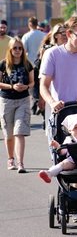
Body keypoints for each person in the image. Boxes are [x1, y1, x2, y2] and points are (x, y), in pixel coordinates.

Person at [0, 38, 34, 173]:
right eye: (15, 48)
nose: (18, 51)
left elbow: (32, 83)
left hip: (23, 100)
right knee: (9, 135)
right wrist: (11, 86)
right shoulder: (3, 64)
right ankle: (10, 158)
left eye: (20, 48)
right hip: (7, 100)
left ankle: (20, 163)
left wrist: (26, 86)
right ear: (10, 49)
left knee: (19, 132)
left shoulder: (27, 64)